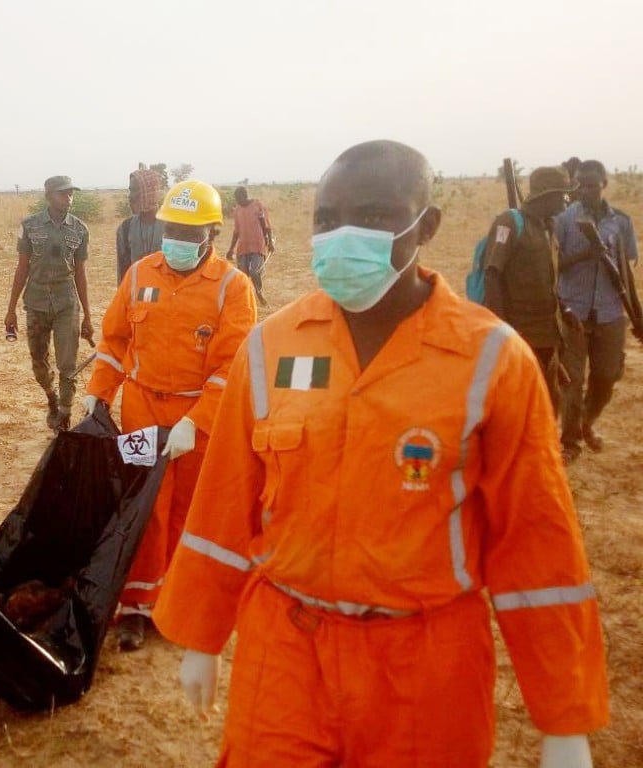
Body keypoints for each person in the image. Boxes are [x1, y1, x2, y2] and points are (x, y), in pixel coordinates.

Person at [153, 141, 608, 767]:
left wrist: (564, 719)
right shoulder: (271, 348)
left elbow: (537, 543)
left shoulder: (491, 361)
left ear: (426, 227)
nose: (342, 236)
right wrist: (201, 637)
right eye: (324, 218)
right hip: (285, 653)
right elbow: (224, 505)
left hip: (426, 667)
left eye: (370, 217)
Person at [84, 180, 257, 650]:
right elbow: (116, 340)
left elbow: (232, 365)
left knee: (189, 510)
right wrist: (98, 394)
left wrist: (194, 421)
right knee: (143, 508)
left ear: (212, 235)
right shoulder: (140, 274)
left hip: (198, 419)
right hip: (141, 410)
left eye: (188, 231)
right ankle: (137, 608)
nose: (177, 239)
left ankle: (178, 605)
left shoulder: (232, 288)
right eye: (171, 229)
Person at [555, 159, 641, 463]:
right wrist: (584, 254)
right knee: (573, 380)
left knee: (606, 377)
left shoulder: (621, 222)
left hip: (609, 313)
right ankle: (570, 442)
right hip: (573, 312)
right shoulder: (563, 221)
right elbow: (554, 267)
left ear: (604, 184)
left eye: (592, 184)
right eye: (580, 184)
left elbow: (625, 272)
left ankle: (586, 424)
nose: (585, 190)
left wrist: (637, 317)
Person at [482, 166, 579, 412]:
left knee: (549, 401)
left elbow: (545, 279)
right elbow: (492, 274)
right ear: (546, 195)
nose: (566, 200)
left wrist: (564, 309)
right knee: (524, 405)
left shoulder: (548, 228)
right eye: (562, 195)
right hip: (520, 332)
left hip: (548, 332)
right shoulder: (510, 223)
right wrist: (504, 330)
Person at [5, 175, 94, 432]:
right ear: (48, 197)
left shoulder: (80, 229)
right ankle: (52, 398)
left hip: (67, 304)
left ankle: (64, 416)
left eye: (70, 194)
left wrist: (87, 315)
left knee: (68, 365)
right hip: (36, 304)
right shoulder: (30, 226)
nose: (68, 198)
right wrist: (10, 309)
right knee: (39, 363)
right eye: (63, 193)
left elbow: (80, 272)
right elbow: (22, 267)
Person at [226, 186, 275, 306]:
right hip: (243, 247)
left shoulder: (257, 205)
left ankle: (259, 293)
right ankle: (245, 300)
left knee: (254, 272)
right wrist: (231, 249)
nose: (238, 201)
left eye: (239, 198)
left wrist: (270, 240)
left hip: (258, 245)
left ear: (245, 196)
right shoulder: (237, 210)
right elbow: (236, 232)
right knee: (242, 276)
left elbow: (266, 225)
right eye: (236, 199)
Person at [116, 168, 165, 284]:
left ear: (150, 192)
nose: (130, 196)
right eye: (130, 190)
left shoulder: (172, 228)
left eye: (135, 190)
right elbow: (123, 273)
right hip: (136, 295)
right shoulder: (125, 228)